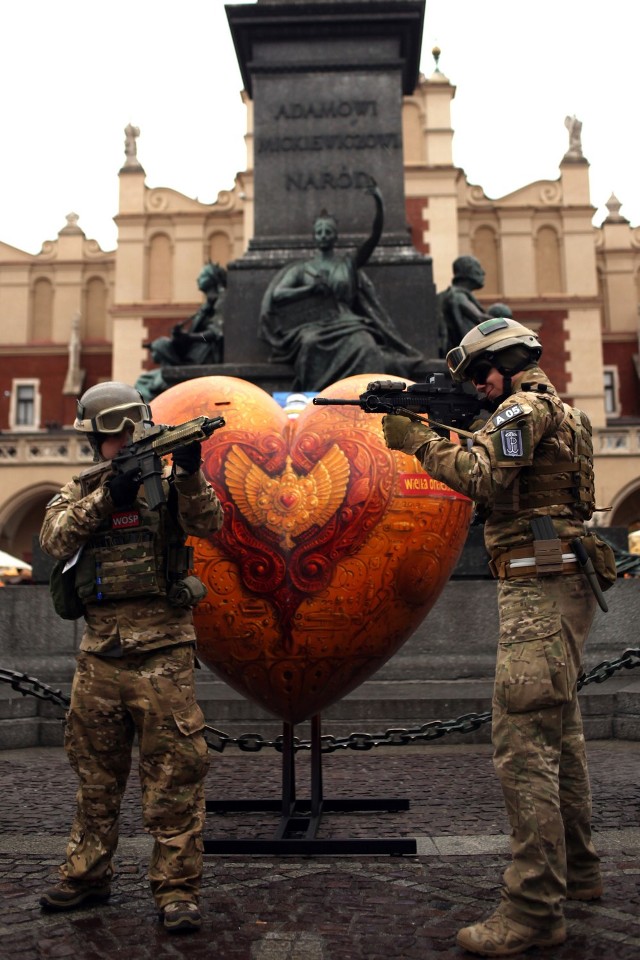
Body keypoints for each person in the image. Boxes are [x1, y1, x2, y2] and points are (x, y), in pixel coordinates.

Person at [382, 317, 615, 957]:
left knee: (522, 745)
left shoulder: (522, 410)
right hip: (561, 583)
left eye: (482, 375)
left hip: (539, 592)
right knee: (559, 736)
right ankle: (581, 871)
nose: (480, 389)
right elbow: (502, 462)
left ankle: (534, 907)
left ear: (509, 364)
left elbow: (483, 477)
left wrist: (417, 443)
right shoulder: (559, 412)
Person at [39, 381, 224, 934]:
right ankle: (88, 874)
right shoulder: (81, 489)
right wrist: (107, 496)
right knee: (96, 778)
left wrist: (188, 474)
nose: (114, 445)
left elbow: (208, 524)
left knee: (174, 777)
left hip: (163, 654)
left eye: (118, 436)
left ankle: (176, 890)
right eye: (108, 439)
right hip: (100, 655)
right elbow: (53, 539)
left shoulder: (164, 487)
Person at [258, 182, 425, 392]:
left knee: (366, 345)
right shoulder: (302, 269)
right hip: (312, 324)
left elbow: (373, 239)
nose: (324, 235)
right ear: (314, 236)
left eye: (328, 231)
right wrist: (309, 290)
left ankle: (365, 398)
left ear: (335, 235)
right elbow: (278, 294)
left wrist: (380, 206)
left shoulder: (347, 263)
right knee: (310, 344)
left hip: (346, 321)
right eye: (319, 231)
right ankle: (315, 400)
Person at [136, 262, 226, 402]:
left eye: (202, 276)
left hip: (205, 360)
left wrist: (188, 337)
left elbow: (214, 334)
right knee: (147, 377)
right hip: (193, 358)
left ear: (212, 278)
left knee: (145, 382)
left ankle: (150, 418)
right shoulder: (207, 305)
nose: (198, 279)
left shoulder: (222, 302)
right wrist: (179, 337)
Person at [436, 255, 489, 358]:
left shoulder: (456, 294)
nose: (483, 273)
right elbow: (480, 318)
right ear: (467, 271)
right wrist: (506, 323)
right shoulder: (458, 296)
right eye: (478, 267)